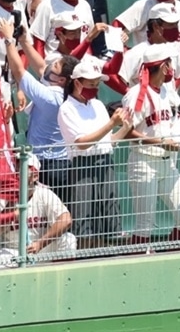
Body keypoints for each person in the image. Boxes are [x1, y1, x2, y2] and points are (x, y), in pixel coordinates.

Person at [0, 18, 79, 204]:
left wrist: (9, 39)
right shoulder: (63, 91)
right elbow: (41, 67)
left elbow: (19, 72)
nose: (50, 66)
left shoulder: (51, 98)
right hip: (61, 162)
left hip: (49, 166)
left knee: (48, 209)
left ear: (62, 80)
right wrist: (24, 41)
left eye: (55, 66)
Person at [121, 45, 180, 244]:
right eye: (169, 64)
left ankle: (174, 254)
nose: (172, 68)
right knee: (145, 224)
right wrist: (161, 143)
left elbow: (168, 124)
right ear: (163, 66)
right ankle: (138, 258)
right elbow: (125, 132)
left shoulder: (165, 91)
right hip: (144, 162)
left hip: (168, 163)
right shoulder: (136, 94)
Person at [57, 59, 132, 250]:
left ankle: (107, 254)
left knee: (108, 214)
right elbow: (81, 143)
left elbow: (108, 141)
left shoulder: (97, 105)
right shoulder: (67, 109)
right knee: (84, 218)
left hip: (105, 163)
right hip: (83, 167)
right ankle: (84, 257)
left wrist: (125, 128)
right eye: (91, 84)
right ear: (77, 83)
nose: (95, 88)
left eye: (97, 84)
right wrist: (111, 123)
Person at [0, 154, 76, 258]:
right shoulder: (1, 197)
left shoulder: (44, 194)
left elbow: (66, 220)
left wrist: (40, 243)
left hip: (42, 248)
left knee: (69, 239)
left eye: (21, 168)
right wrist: (14, 198)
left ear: (35, 176)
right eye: (14, 168)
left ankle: (61, 270)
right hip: (14, 250)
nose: (16, 172)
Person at [118, 3, 180, 88]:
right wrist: (130, 92)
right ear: (156, 26)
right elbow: (115, 77)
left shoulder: (174, 50)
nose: (175, 28)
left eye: (176, 24)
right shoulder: (137, 53)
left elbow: (179, 75)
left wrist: (173, 91)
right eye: (171, 24)